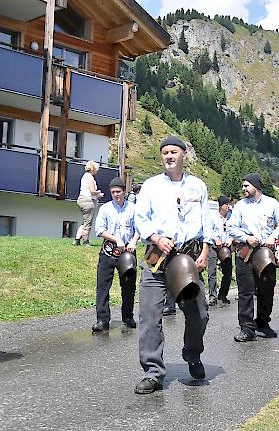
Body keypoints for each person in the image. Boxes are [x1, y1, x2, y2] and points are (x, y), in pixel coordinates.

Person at [133, 135, 211, 394]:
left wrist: (206, 251)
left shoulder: (198, 186)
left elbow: (206, 221)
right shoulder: (151, 186)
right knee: (149, 317)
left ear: (183, 155)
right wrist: (155, 236)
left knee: (199, 313)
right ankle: (153, 372)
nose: (169, 156)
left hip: (188, 260)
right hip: (157, 260)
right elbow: (140, 218)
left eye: (174, 152)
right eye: (165, 152)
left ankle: (192, 354)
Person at [229, 173, 279, 341]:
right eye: (243, 186)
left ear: (256, 186)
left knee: (267, 289)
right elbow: (231, 226)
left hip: (265, 253)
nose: (243, 189)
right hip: (245, 253)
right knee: (245, 291)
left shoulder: (272, 204)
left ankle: (263, 323)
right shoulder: (240, 205)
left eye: (246, 185)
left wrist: (273, 237)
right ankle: (246, 328)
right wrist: (246, 237)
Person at [92, 177, 139, 332]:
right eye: (113, 192)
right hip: (108, 251)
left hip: (128, 252)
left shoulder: (133, 208)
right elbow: (99, 230)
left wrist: (133, 241)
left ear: (124, 191)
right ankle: (102, 320)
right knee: (103, 286)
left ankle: (128, 316)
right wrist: (116, 238)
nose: (116, 195)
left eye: (118, 191)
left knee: (128, 286)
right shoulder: (105, 208)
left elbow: (140, 229)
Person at [206, 196, 234, 306]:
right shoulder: (212, 217)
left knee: (227, 272)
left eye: (229, 204)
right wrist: (215, 238)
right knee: (212, 271)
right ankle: (212, 295)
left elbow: (234, 230)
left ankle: (223, 294)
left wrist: (231, 239)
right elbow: (208, 230)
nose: (228, 206)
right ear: (221, 206)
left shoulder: (231, 218)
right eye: (226, 204)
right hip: (213, 246)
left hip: (226, 247)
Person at [74, 160, 103, 246]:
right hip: (88, 201)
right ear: (93, 168)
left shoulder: (84, 176)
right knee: (88, 223)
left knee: (85, 221)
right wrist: (99, 192)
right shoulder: (90, 177)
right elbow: (92, 191)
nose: (97, 171)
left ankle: (76, 240)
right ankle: (86, 242)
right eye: (96, 169)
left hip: (81, 199)